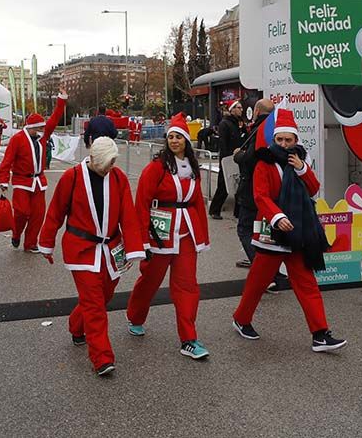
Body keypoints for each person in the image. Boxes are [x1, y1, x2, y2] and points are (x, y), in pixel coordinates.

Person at [232, 107, 348, 352]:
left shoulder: (299, 162)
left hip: (298, 232)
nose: (284, 144)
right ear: (274, 139)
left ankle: (320, 334)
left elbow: (314, 189)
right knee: (258, 282)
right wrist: (277, 216)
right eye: (280, 139)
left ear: (296, 140)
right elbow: (260, 196)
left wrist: (302, 169)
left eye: (288, 140)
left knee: (307, 283)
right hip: (271, 232)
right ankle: (241, 319)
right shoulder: (264, 163)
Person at [37, 136, 146, 376]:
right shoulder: (72, 178)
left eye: (113, 161)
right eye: (108, 162)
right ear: (94, 159)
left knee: (102, 295)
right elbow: (55, 212)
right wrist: (46, 243)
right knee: (95, 305)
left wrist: (135, 248)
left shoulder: (118, 178)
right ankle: (102, 358)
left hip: (111, 249)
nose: (111, 166)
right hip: (81, 250)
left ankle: (76, 325)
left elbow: (128, 215)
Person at [125, 113, 210, 360]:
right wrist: (141, 241)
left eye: (179, 137)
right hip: (159, 234)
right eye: (171, 137)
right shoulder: (155, 169)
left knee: (187, 286)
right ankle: (135, 316)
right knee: (149, 281)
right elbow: (140, 204)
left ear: (186, 141)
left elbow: (196, 204)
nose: (174, 141)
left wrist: (202, 236)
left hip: (185, 235)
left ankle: (189, 339)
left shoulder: (193, 169)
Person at [233, 97, 291, 301]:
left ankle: (267, 274)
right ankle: (273, 272)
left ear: (256, 112)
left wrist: (238, 155)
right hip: (273, 192)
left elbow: (251, 159)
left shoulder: (261, 130)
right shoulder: (273, 128)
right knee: (265, 232)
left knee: (246, 230)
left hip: (254, 191)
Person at [0, 91, 68, 252]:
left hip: (39, 182)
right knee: (21, 212)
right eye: (40, 127)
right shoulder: (18, 139)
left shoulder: (42, 137)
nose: (43, 129)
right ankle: (16, 234)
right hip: (22, 181)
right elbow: (7, 161)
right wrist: (3, 180)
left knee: (38, 215)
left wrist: (61, 101)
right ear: (32, 127)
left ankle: (30, 243)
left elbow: (54, 119)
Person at [209, 101, 245, 219]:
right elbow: (223, 143)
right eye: (239, 107)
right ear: (232, 109)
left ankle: (238, 212)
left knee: (237, 186)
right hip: (228, 159)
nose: (241, 110)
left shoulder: (238, 123)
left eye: (241, 107)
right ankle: (215, 210)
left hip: (237, 158)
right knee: (223, 186)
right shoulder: (225, 124)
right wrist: (227, 159)